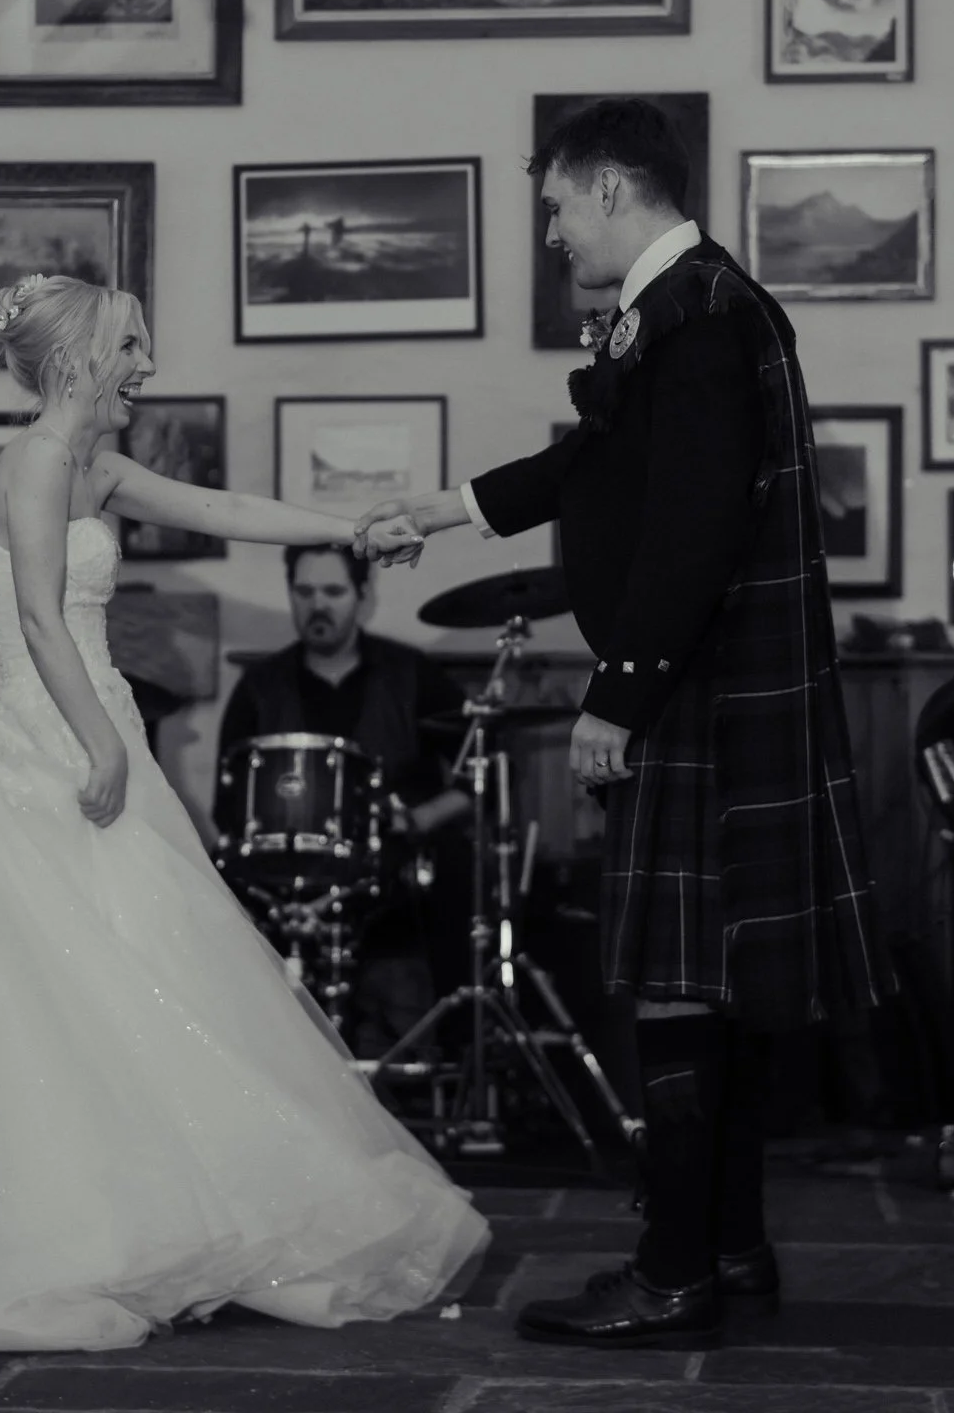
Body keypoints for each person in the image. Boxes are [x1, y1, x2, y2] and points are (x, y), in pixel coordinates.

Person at [0, 273, 487, 1352]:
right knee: (54, 984)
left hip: (95, 725)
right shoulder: (37, 461)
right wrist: (98, 744)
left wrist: (357, 530)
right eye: (131, 345)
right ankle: (56, 1226)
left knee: (138, 974)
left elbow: (225, 510)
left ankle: (148, 1215)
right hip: (44, 744)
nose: (147, 364)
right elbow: (41, 618)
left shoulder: (94, 464)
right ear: (77, 358)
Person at [358, 99, 887, 1350]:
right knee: (713, 980)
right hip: (714, 685)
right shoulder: (693, 305)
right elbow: (595, 464)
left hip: (694, 688)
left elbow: (693, 525)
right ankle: (730, 1245)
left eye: (553, 204)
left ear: (608, 187)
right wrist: (443, 505)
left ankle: (670, 1273)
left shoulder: (696, 319)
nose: (550, 232)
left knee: (674, 982)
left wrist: (618, 691)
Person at [214, 544, 470, 1055]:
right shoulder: (260, 687)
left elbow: (479, 775)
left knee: (458, 871)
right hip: (283, 879)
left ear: (362, 596)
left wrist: (419, 819)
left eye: (333, 591)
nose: (318, 605)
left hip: (395, 873)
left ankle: (443, 1053)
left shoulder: (412, 674)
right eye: (304, 592)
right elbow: (228, 808)